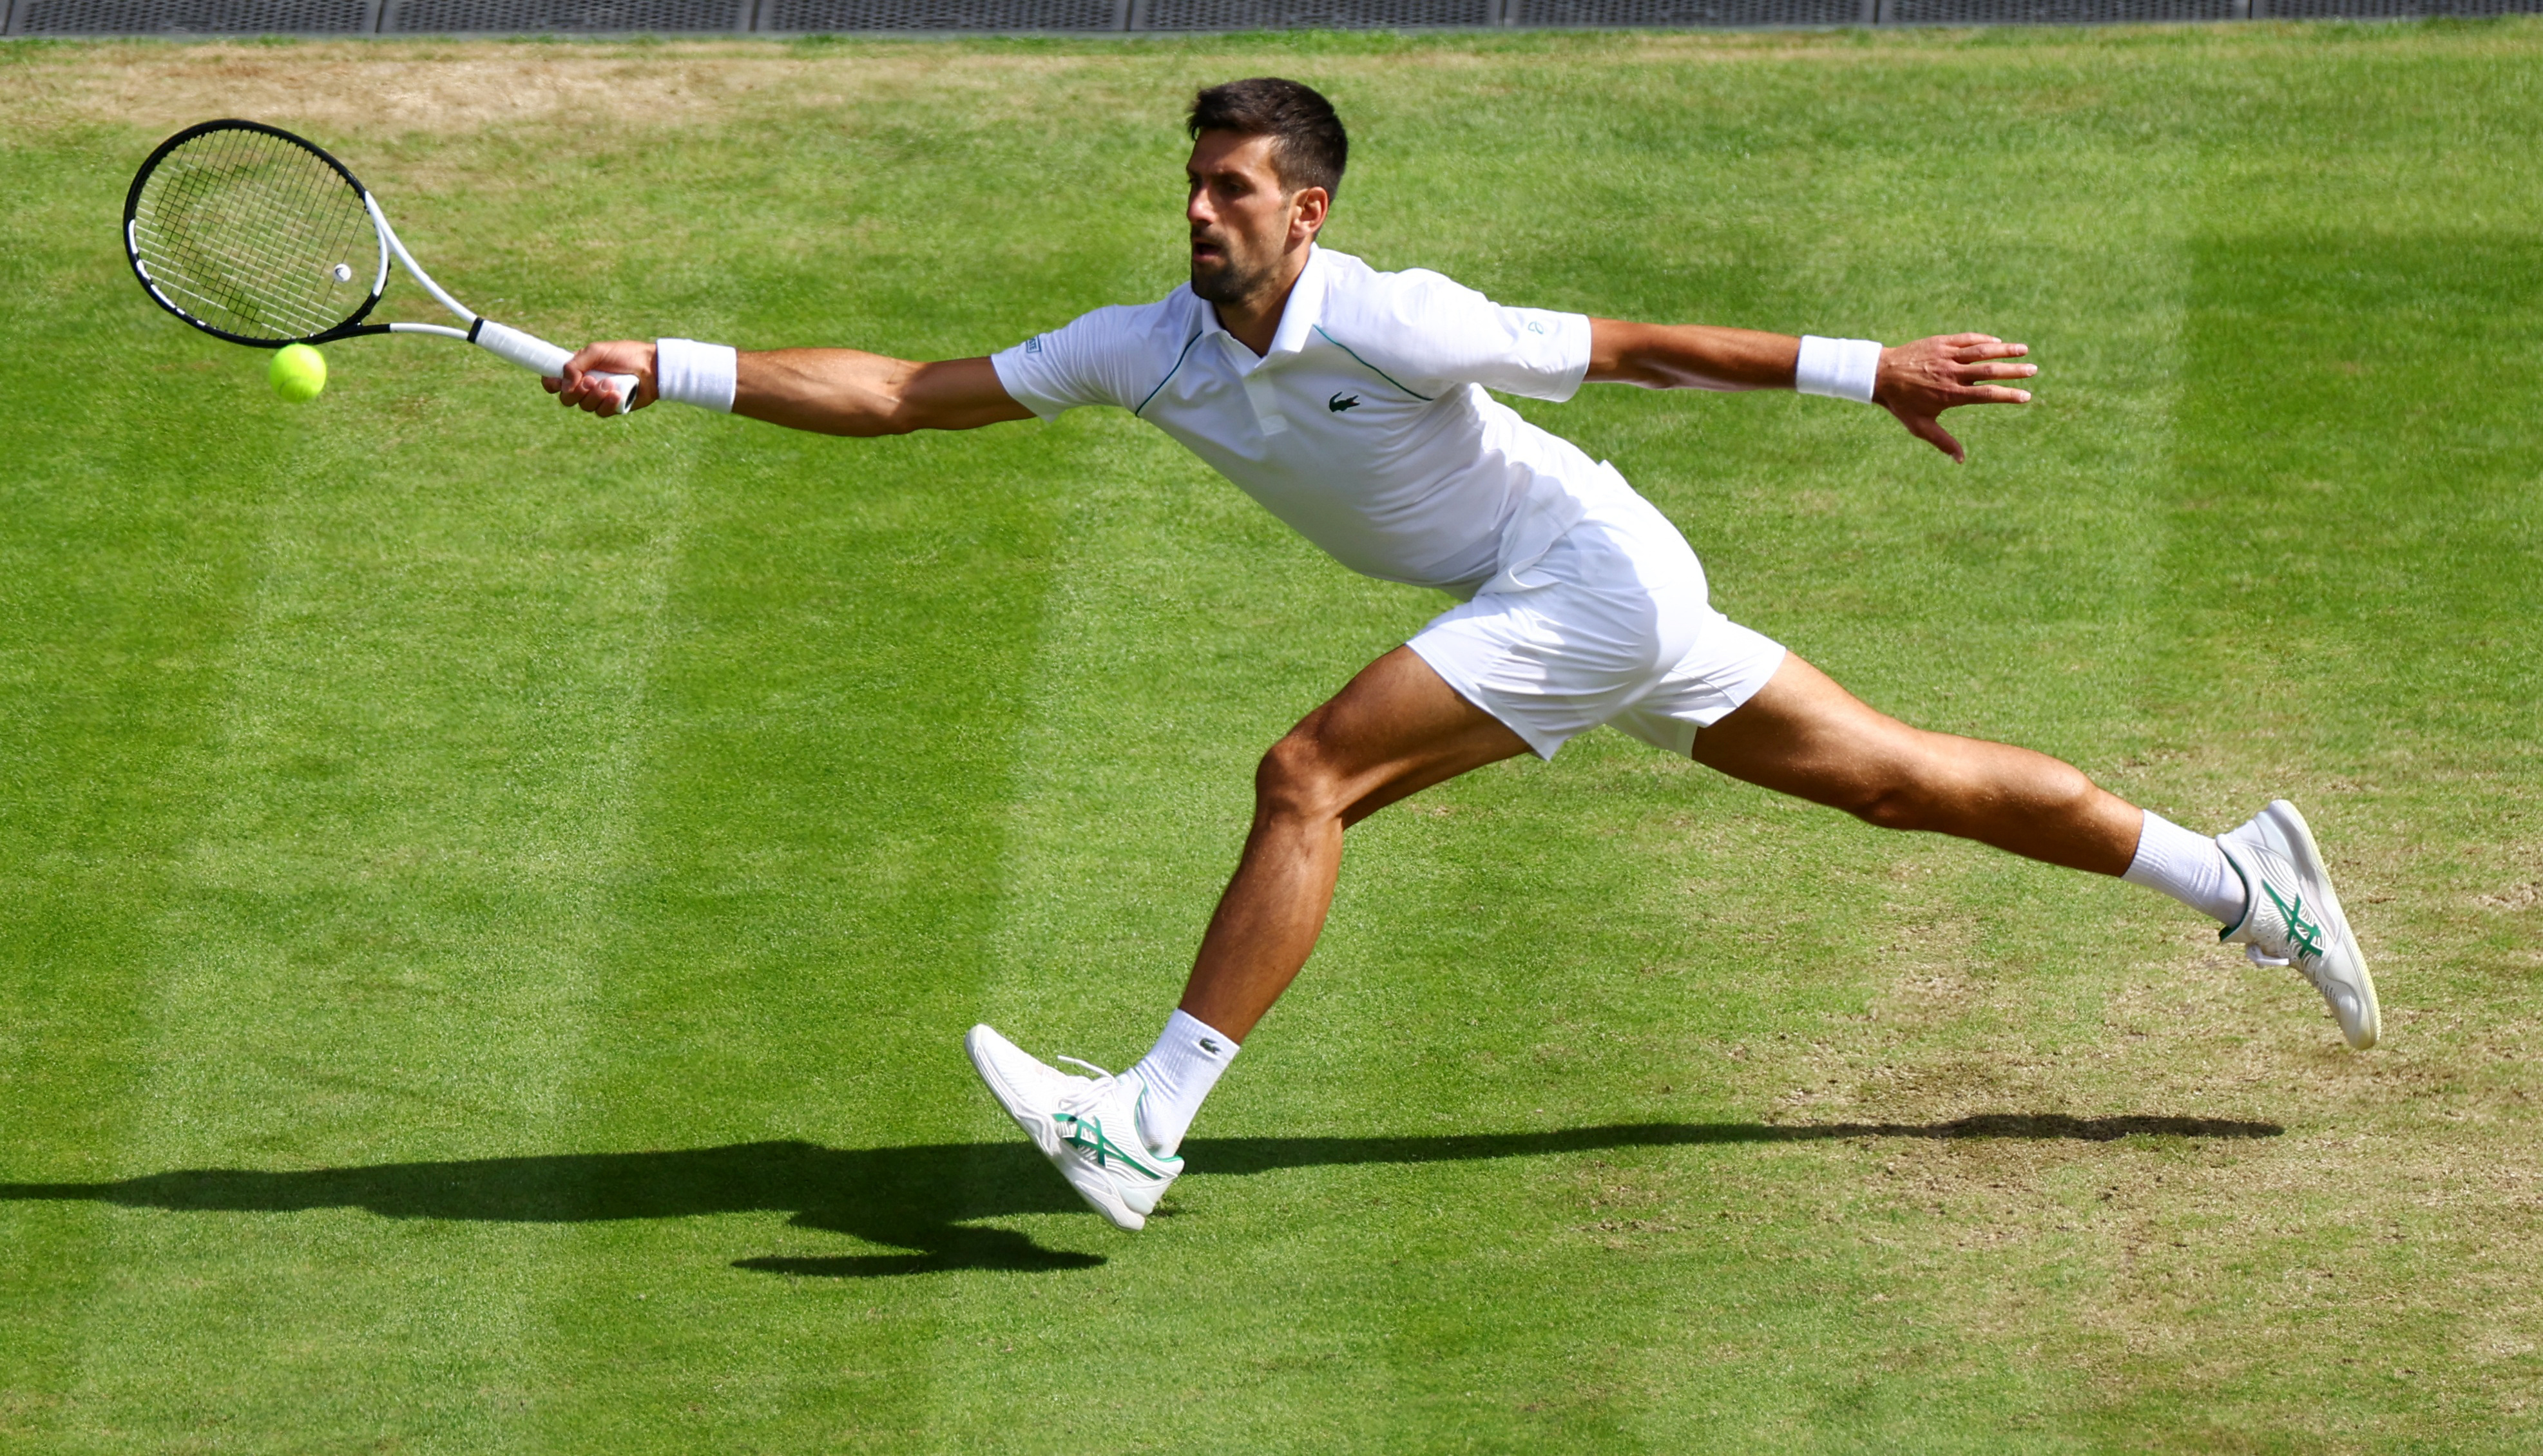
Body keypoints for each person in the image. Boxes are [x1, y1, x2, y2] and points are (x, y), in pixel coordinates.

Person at [552, 77, 2378, 1233]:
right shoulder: (1147, 341)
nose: (1200, 212)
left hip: (1583, 575)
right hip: (1591, 590)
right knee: (1897, 778)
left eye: (1234, 191)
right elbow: (899, 393)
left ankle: (1144, 1120)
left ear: (1308, 211)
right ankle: (2241, 878)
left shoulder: (1400, 317)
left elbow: (1636, 346)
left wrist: (1869, 365)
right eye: (1192, 187)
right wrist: (672, 356)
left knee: (1306, 775)